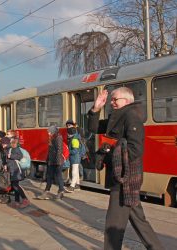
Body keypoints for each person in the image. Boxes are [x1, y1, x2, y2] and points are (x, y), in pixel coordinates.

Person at [88, 87, 164, 250]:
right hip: (123, 175)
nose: (112, 102)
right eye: (112, 100)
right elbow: (93, 128)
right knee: (138, 220)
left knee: (113, 226)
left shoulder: (131, 117)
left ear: (127, 100)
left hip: (125, 178)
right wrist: (96, 108)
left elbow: (135, 149)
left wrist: (109, 152)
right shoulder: (119, 116)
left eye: (116, 99)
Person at [37, 125, 65, 200]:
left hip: (57, 161)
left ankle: (61, 191)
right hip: (51, 161)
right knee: (49, 177)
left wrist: (58, 161)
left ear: (53, 131)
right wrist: (48, 160)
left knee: (59, 177)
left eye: (49, 132)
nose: (48, 133)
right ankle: (46, 191)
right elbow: (50, 151)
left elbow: (59, 150)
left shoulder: (58, 137)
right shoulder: (52, 137)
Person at [6, 137, 30, 208]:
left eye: (13, 142)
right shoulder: (10, 149)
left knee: (15, 185)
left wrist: (11, 156)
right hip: (13, 169)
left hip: (16, 170)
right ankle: (17, 201)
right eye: (11, 142)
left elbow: (20, 156)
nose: (12, 144)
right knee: (15, 185)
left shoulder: (17, 149)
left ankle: (25, 199)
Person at [64, 125, 81, 193]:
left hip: (75, 158)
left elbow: (75, 151)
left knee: (74, 171)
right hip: (74, 157)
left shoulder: (74, 140)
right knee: (76, 172)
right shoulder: (74, 138)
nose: (67, 135)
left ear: (71, 134)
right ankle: (77, 185)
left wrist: (68, 151)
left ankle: (72, 186)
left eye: (68, 133)